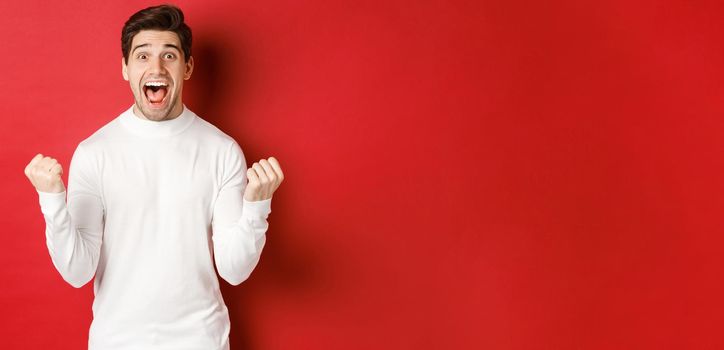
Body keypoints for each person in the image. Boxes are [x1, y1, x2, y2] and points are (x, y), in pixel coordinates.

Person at [22, 5, 283, 350]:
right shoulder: (94, 152)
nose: (156, 67)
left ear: (187, 67)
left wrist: (256, 207)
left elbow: (234, 270)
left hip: (201, 341)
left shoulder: (222, 150)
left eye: (169, 55)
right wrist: (52, 201)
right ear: (125, 68)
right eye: (142, 56)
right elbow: (77, 272)